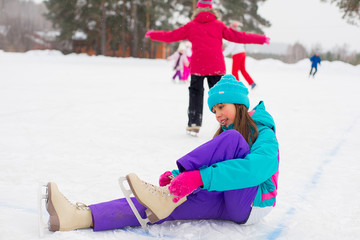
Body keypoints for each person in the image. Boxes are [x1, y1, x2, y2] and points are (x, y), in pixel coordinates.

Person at [45, 74, 279, 232]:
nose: (217, 114)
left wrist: (196, 177)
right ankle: (78, 216)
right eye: (214, 109)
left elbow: (257, 170)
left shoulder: (262, 132)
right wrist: (177, 176)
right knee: (158, 204)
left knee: (232, 140)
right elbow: (211, 165)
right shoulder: (225, 135)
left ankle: (182, 184)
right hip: (225, 198)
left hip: (252, 204)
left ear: (239, 104)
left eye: (221, 107)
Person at [145, 0, 270, 134]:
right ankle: (230, 123)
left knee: (195, 93)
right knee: (221, 97)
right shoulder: (218, 25)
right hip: (216, 65)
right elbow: (238, 36)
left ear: (197, 10)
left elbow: (172, 35)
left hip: (198, 66)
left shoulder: (191, 26)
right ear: (211, 10)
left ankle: (194, 122)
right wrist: (260, 39)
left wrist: (153, 34)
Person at [223, 21, 257, 89]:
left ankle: (236, 86)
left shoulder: (233, 35)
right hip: (242, 53)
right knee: (242, 70)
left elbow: (230, 47)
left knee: (234, 71)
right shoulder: (238, 34)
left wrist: (222, 54)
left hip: (237, 54)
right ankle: (252, 83)